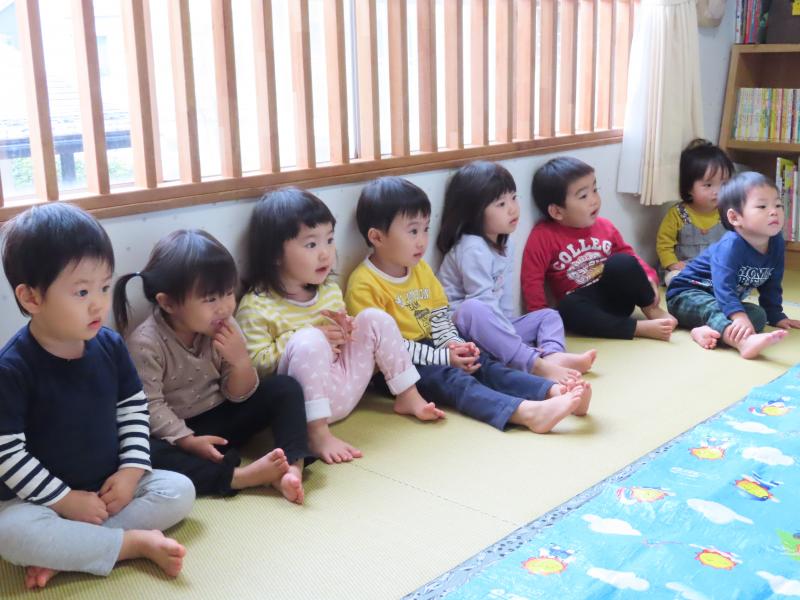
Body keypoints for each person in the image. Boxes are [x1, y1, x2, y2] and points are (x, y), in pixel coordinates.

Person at [0, 204, 194, 590]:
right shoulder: (12, 369)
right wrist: (64, 500)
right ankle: (129, 544)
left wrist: (130, 472)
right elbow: (7, 454)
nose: (99, 303)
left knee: (179, 491)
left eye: (105, 287)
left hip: (108, 487)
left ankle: (73, 551)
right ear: (32, 298)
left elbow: (134, 411)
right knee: (10, 534)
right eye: (82, 291)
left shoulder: (110, 345)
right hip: (39, 501)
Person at [345, 176, 591, 434]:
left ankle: (554, 391)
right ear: (377, 237)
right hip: (399, 369)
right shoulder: (364, 284)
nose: (422, 240)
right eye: (413, 231)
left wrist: (454, 345)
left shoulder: (419, 269)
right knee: (456, 381)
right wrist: (444, 357)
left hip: (434, 347)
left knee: (484, 364)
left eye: (426, 229)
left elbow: (439, 316)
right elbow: (389, 347)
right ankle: (525, 413)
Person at [236, 188, 443, 466]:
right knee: (310, 341)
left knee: (374, 318)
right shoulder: (256, 307)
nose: (326, 254)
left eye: (330, 240)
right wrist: (306, 338)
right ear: (275, 254)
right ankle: (317, 434)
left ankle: (408, 395)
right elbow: (254, 370)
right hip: (300, 409)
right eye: (311, 245)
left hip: (345, 389)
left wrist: (347, 333)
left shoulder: (330, 291)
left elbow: (346, 348)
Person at [115, 230, 312, 504]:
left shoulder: (224, 326)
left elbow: (239, 395)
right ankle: (240, 477)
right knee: (141, 451)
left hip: (223, 416)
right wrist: (187, 440)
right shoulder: (146, 344)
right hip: (178, 432)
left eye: (228, 293)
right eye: (210, 299)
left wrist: (240, 361)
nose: (224, 307)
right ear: (168, 303)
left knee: (285, 388)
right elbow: (150, 406)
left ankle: (291, 468)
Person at [437, 160, 596, 382]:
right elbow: (482, 301)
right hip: (460, 334)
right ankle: (535, 364)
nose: (512, 208)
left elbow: (504, 299)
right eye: (501, 204)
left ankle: (552, 355)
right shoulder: (472, 247)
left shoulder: (506, 243)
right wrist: (510, 338)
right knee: (473, 308)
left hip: (494, 326)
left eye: (513, 197)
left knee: (549, 315)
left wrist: (508, 334)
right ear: (475, 212)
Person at [522, 156, 677, 341]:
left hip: (617, 296)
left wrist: (649, 278)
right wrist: (540, 319)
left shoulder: (604, 226)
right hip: (585, 306)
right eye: (583, 196)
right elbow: (532, 280)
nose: (594, 200)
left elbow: (629, 256)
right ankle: (638, 328)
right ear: (557, 211)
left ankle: (651, 309)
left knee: (621, 262)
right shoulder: (543, 236)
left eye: (595, 190)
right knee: (566, 308)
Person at [666, 171, 800, 358]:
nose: (774, 211)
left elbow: (772, 283)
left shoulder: (776, 242)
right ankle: (742, 343)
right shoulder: (731, 246)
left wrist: (776, 315)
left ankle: (704, 330)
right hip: (687, 294)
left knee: (758, 315)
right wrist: (738, 316)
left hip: (722, 301)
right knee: (726, 312)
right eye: (762, 206)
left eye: (778, 205)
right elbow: (724, 286)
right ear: (735, 217)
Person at [656, 139, 733, 285]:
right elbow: (664, 245)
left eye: (724, 184)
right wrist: (672, 264)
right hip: (685, 268)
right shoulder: (678, 214)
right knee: (674, 277)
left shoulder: (728, 213)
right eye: (708, 185)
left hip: (715, 268)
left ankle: (711, 286)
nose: (717, 191)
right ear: (689, 188)